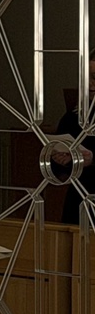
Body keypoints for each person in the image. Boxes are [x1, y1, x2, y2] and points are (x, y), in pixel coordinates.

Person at [51, 56, 95, 223]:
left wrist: (92, 159)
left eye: (94, 77)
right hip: (79, 199)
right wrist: (60, 159)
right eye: (86, 77)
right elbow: (56, 169)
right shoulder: (73, 116)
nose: (89, 84)